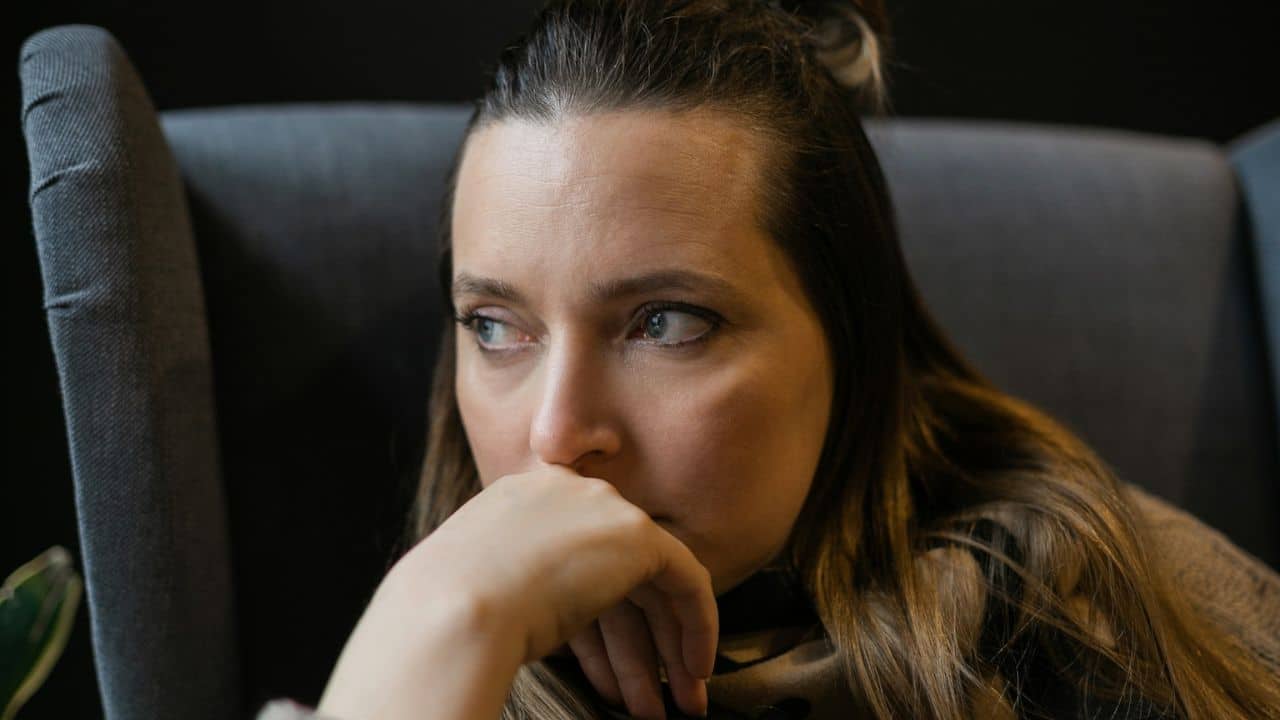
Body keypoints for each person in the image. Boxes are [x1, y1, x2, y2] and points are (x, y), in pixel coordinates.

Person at [257, 1, 1280, 718]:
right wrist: (444, 623)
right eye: (494, 325)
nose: (554, 434)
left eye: (664, 323)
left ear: (848, 343)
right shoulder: (421, 646)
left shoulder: (1106, 608)